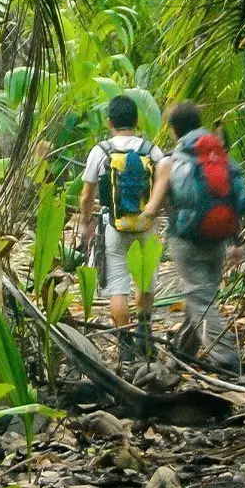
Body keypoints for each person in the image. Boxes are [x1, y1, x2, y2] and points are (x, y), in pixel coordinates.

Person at [145, 101, 245, 372]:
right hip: (219, 236)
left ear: (173, 130)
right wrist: (237, 242)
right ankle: (182, 353)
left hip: (187, 238)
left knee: (200, 299)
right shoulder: (221, 156)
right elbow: (234, 197)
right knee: (202, 295)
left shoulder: (171, 161)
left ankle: (226, 358)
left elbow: (157, 205)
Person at [77, 96, 164, 354]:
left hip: (113, 226)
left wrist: (86, 222)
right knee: (144, 279)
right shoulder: (151, 150)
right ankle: (145, 335)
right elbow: (162, 186)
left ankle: (124, 344)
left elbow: (86, 195)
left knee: (118, 285)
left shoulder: (101, 151)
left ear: (109, 122)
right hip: (146, 225)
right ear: (136, 121)